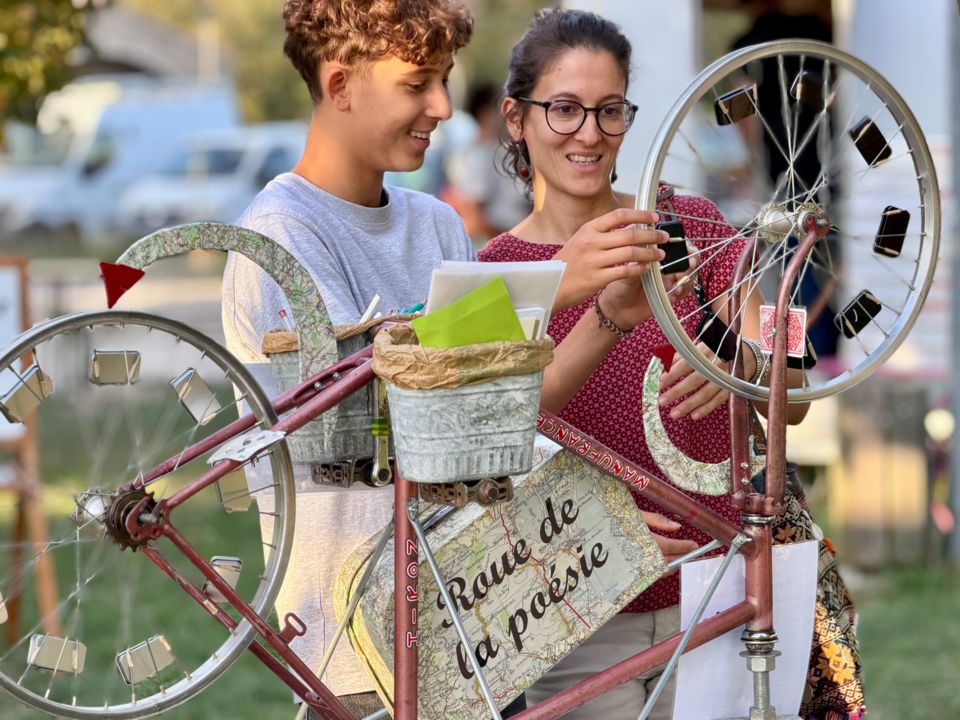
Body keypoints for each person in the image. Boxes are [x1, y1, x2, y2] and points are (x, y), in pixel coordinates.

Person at [218, 2, 673, 718]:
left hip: (480, 620)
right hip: (360, 643)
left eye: (445, 80)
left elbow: (499, 411)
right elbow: (366, 403)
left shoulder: (433, 222)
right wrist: (558, 280)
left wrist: (607, 317)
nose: (441, 106)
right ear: (340, 86)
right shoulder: (280, 237)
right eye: (417, 84)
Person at [479, 9, 863, 720]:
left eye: (610, 110)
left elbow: (798, 388)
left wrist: (734, 363)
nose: (589, 134)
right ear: (516, 117)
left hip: (727, 588)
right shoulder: (493, 274)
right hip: (585, 611)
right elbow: (488, 447)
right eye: (564, 109)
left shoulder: (692, 223)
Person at [444, 82, 531, 242]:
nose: (508, 114)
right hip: (499, 249)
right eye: (501, 107)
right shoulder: (471, 157)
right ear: (483, 113)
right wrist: (516, 241)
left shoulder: (507, 151)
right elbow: (474, 219)